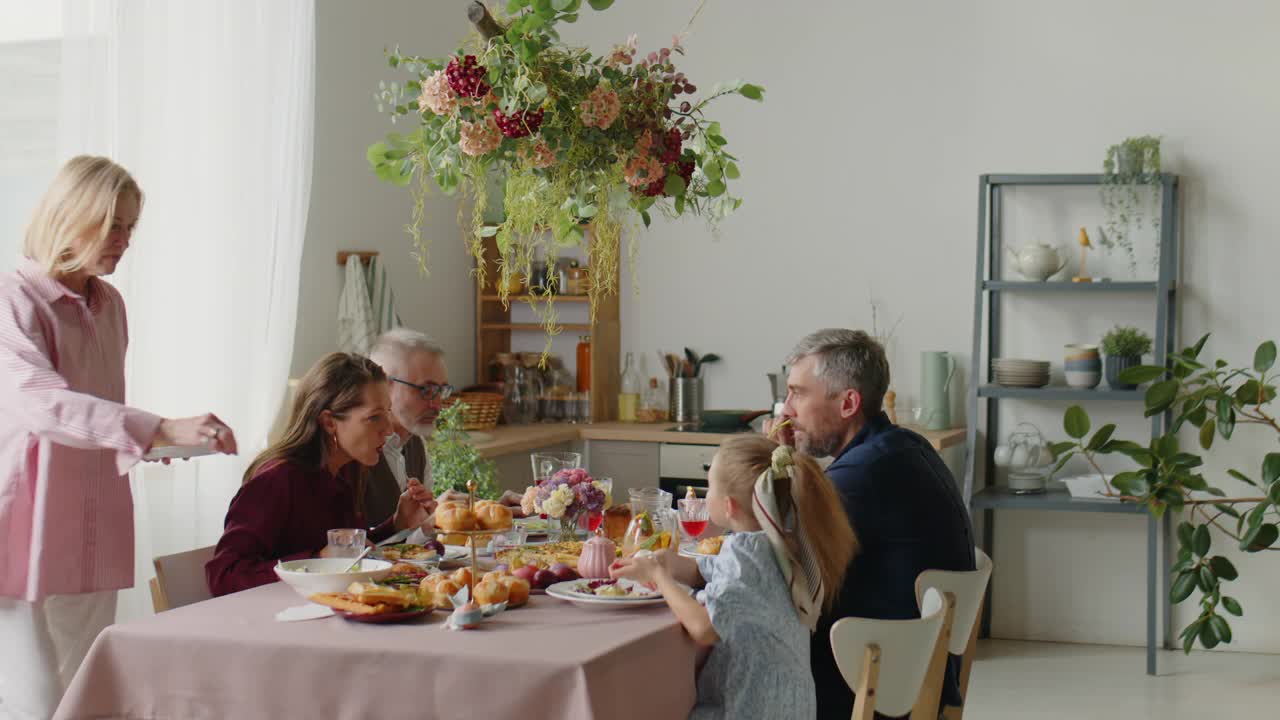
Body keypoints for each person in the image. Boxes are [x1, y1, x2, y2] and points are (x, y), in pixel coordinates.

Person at [0, 155, 238, 720]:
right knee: (34, 703)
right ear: (69, 217)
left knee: (87, 701)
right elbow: (40, 403)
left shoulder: (110, 307)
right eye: (112, 225)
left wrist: (154, 442)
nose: (124, 240)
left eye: (131, 227)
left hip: (91, 522)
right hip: (19, 525)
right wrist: (153, 428)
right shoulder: (15, 297)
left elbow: (100, 412)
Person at [766, 329, 975, 719]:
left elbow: (768, 558)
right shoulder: (904, 447)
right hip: (916, 674)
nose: (785, 411)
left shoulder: (860, 477)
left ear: (848, 402)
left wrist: (770, 468)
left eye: (798, 393)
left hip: (870, 683)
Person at [612, 435, 856, 720]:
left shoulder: (745, 553)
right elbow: (718, 574)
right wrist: (672, 564)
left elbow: (703, 628)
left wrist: (659, 576)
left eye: (710, 487)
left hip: (749, 706)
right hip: (789, 704)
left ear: (729, 506)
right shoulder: (779, 542)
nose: (706, 495)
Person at [205, 352, 436, 597]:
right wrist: (317, 562)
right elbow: (223, 575)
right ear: (329, 422)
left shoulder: (346, 469)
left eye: (388, 413)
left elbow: (340, 556)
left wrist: (395, 525)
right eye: (374, 417)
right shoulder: (277, 480)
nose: (389, 429)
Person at [364, 328, 447, 524]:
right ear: (385, 384)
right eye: (426, 390)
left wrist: (471, 513)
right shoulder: (353, 452)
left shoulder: (416, 443)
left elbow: (417, 540)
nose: (437, 404)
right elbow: (343, 544)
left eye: (442, 390)